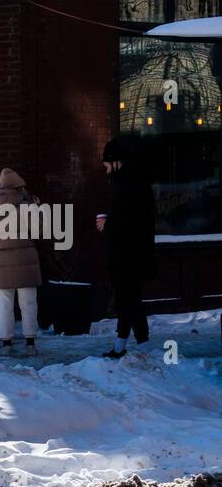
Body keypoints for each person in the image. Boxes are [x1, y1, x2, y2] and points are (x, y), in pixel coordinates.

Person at [97, 139, 156, 359]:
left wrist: (107, 224)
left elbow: (128, 220)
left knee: (126, 299)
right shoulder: (137, 181)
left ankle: (126, 346)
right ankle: (139, 344)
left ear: (116, 161)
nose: (106, 171)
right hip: (136, 252)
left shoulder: (126, 184)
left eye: (106, 165)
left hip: (126, 253)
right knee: (132, 298)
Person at [0, 168, 43, 356]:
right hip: (25, 260)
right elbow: (38, 229)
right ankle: (30, 343)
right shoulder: (24, 204)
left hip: (1, 261)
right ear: (18, 186)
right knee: (28, 303)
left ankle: (6, 343)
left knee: (4, 304)